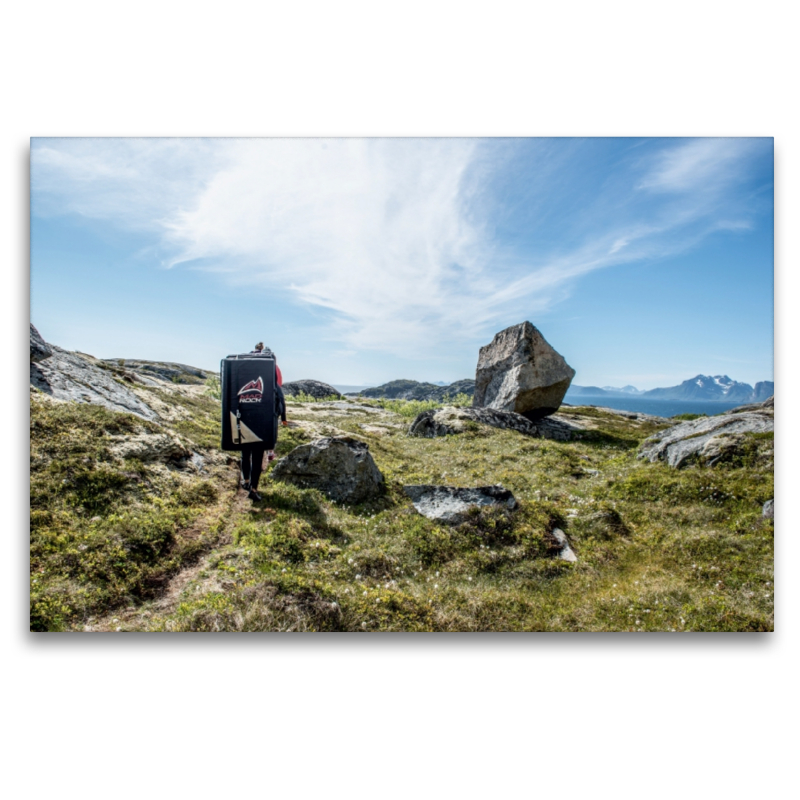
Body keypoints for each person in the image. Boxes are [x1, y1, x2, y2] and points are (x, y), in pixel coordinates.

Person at [240, 342, 287, 501]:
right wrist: (282, 419)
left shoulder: (243, 382)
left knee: (245, 454)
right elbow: (281, 405)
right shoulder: (273, 386)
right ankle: (253, 489)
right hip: (262, 425)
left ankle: (245, 481)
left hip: (245, 421)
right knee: (257, 456)